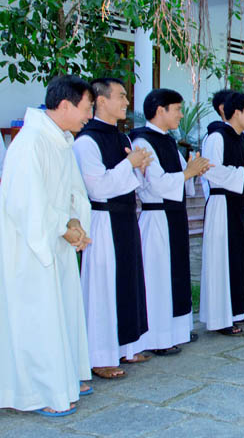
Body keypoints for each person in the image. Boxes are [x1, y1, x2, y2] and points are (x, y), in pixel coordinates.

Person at [0, 75, 94, 416]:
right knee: (37, 316)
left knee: (62, 311)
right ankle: (39, 391)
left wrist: (75, 223)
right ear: (65, 105)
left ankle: (65, 376)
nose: (89, 115)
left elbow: (74, 192)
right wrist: (61, 225)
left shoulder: (61, 141)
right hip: (31, 247)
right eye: (86, 108)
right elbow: (25, 202)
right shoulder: (31, 142)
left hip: (57, 242)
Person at [73, 77, 153, 379]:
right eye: (121, 96)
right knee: (104, 286)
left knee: (128, 281)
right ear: (101, 101)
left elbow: (132, 180)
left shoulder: (124, 138)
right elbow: (97, 187)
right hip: (103, 220)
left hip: (125, 217)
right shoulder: (86, 141)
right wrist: (129, 164)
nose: (127, 102)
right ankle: (99, 355)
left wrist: (139, 167)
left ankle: (126, 346)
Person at [130, 89, 211, 355]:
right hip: (156, 217)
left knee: (176, 273)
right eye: (176, 108)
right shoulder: (142, 140)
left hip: (174, 215)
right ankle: (157, 337)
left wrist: (192, 170)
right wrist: (189, 172)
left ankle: (176, 330)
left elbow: (182, 179)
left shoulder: (168, 141)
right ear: (160, 110)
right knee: (158, 276)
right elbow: (158, 183)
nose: (180, 114)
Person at [200, 91, 244, 335]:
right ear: (235, 113)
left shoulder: (243, 139)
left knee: (239, 258)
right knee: (221, 260)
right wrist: (242, 173)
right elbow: (210, 171)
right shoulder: (216, 137)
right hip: (221, 204)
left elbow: (243, 172)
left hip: (238, 203)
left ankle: (238, 310)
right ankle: (220, 317)